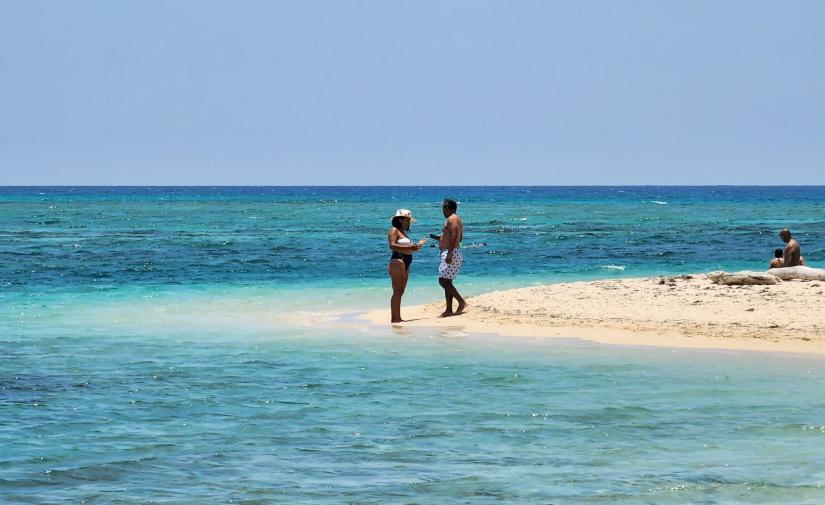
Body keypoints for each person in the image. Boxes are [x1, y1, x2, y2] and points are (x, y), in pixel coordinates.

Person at [387, 209, 426, 323]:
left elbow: (407, 247)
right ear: (400, 219)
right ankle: (396, 318)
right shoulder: (394, 231)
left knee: (401, 291)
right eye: (407, 220)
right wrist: (410, 248)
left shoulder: (404, 232)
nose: (409, 222)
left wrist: (416, 245)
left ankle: (396, 318)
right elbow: (392, 246)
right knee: (397, 291)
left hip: (406, 261)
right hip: (398, 260)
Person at [438, 198, 465, 317]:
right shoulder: (457, 219)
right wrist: (443, 237)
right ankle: (449, 309)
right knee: (447, 282)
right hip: (454, 251)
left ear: (449, 208)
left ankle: (461, 302)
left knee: (443, 281)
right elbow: (460, 237)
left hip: (451, 252)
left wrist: (449, 253)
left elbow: (454, 235)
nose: (442, 211)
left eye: (444, 208)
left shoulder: (452, 218)